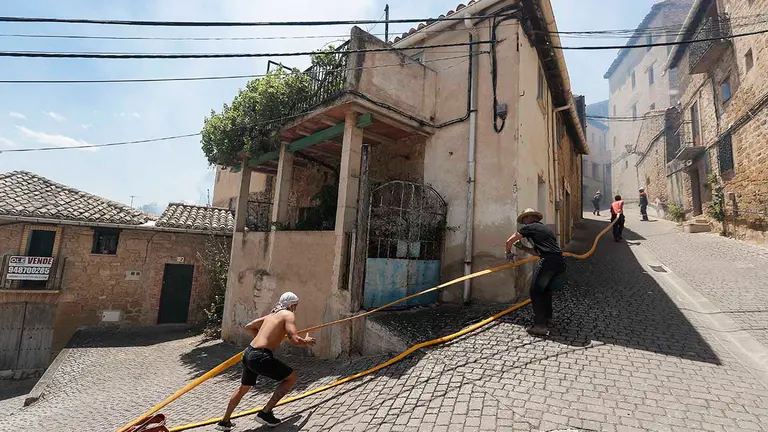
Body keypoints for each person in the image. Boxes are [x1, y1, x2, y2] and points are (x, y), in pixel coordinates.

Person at [217, 292, 316, 431]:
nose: (296, 308)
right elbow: (294, 339)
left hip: (248, 353)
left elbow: (249, 326)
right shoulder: (288, 315)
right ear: (292, 305)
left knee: (243, 388)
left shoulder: (271, 315)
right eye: (296, 305)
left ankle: (224, 421)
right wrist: (306, 342)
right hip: (260, 356)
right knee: (290, 378)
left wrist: (262, 338)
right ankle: (265, 413)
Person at [504, 208, 566, 337]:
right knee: (545, 291)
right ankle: (548, 318)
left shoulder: (530, 227)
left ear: (529, 218)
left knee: (536, 291)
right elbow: (538, 252)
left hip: (548, 262)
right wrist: (523, 247)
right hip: (559, 262)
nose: (524, 224)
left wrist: (508, 253)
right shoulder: (544, 229)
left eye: (524, 220)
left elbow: (509, 241)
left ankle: (540, 326)